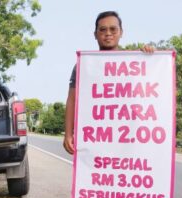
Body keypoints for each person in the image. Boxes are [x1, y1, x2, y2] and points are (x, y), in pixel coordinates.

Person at [63, 11, 154, 154]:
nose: (108, 33)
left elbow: (150, 90)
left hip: (129, 139)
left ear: (121, 32)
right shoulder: (84, 64)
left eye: (113, 29)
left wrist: (150, 57)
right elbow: (72, 99)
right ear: (95, 34)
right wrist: (68, 134)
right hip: (96, 138)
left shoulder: (134, 62)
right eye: (103, 29)